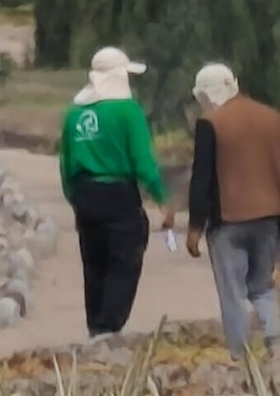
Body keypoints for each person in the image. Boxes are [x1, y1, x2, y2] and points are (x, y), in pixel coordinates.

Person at [58, 46, 173, 339]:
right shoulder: (127, 112)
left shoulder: (74, 114)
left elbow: (66, 164)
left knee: (93, 260)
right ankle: (111, 326)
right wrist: (162, 198)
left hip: (85, 193)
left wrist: (76, 198)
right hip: (118, 191)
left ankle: (95, 325)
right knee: (125, 257)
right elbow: (143, 162)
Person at [186, 62, 280, 371]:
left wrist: (195, 228)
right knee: (263, 286)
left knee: (232, 290)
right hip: (269, 218)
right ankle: (275, 342)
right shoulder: (271, 117)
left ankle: (241, 355)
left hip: (227, 221)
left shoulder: (210, 123)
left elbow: (202, 178)